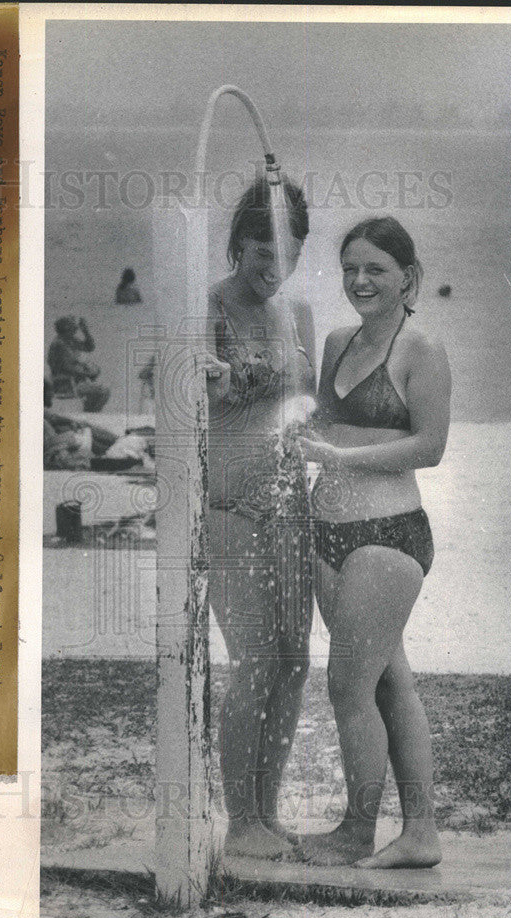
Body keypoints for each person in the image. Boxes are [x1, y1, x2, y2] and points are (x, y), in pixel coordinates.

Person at [294, 216, 450, 868]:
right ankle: (420, 834)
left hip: (387, 537)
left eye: (375, 270)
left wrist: (338, 454)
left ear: (407, 278)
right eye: (351, 267)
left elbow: (431, 447)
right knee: (390, 682)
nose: (360, 280)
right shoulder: (336, 342)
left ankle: (357, 832)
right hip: (326, 530)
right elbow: (327, 422)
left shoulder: (421, 352)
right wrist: (282, 378)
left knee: (348, 688)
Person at [201, 177, 317, 859]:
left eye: (291, 257)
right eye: (263, 254)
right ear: (238, 242)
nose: (276, 271)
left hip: (290, 501)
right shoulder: (207, 307)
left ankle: (265, 811)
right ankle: (240, 817)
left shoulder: (296, 315)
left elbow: (307, 403)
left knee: (295, 662)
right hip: (230, 506)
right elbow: (185, 396)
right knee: (254, 662)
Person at [47, 316, 111, 412]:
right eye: (73, 328)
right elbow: (65, 367)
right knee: (103, 391)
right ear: (67, 329)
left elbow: (89, 347)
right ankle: (90, 413)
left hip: (73, 380)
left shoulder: (69, 341)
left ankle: (90, 413)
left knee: (99, 391)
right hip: (65, 383)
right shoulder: (59, 344)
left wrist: (85, 331)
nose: (75, 330)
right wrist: (88, 373)